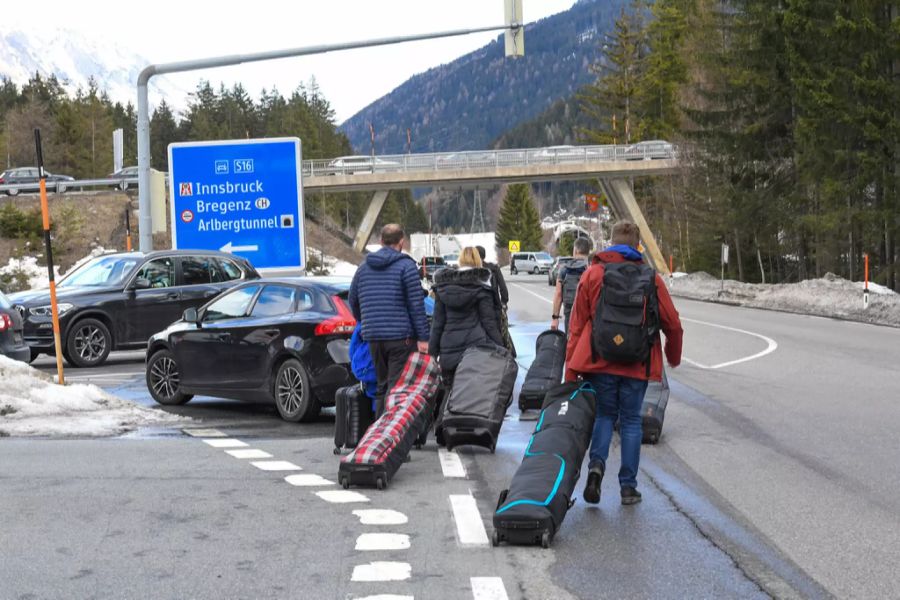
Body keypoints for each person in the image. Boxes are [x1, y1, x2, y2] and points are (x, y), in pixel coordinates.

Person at [565, 221, 683, 506]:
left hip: (600, 361)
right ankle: (628, 487)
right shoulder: (651, 278)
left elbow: (577, 325)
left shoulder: (593, 274)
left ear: (611, 242)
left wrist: (570, 369)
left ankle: (596, 469)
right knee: (631, 421)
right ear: (637, 246)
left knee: (604, 416)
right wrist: (673, 357)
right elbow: (673, 325)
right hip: (636, 363)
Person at [348, 224, 430, 415]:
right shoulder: (406, 267)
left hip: (374, 338)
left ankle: (379, 433)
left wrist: (366, 322)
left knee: (381, 387)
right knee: (396, 389)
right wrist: (423, 338)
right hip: (401, 338)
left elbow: (353, 300)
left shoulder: (363, 267)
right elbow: (416, 305)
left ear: (381, 241)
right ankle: (391, 438)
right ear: (401, 242)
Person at [429, 246, 504, 388]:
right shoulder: (481, 288)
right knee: (473, 396)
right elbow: (489, 323)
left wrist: (432, 353)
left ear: (460, 260)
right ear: (478, 260)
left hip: (448, 350)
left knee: (450, 394)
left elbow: (437, 323)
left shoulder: (443, 287)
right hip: (475, 350)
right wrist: (501, 347)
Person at [476, 245, 515, 356]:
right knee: (496, 335)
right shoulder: (493, 268)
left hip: (478, 309)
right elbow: (503, 288)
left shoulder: (473, 270)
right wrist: (504, 303)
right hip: (495, 307)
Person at [551, 236, 593, 333]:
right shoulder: (593, 269)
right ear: (588, 251)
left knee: (570, 343)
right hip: (589, 318)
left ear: (576, 250)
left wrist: (555, 318)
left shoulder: (564, 270)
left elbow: (558, 294)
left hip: (570, 316)